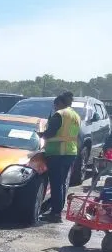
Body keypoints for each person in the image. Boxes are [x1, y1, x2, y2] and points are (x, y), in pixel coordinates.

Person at [40, 91, 81, 223]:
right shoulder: (75, 115)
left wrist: (40, 135)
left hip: (58, 153)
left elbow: (50, 133)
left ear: (59, 103)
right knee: (62, 183)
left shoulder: (60, 114)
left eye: (55, 105)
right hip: (70, 152)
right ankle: (57, 211)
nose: (54, 108)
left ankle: (55, 214)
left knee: (56, 184)